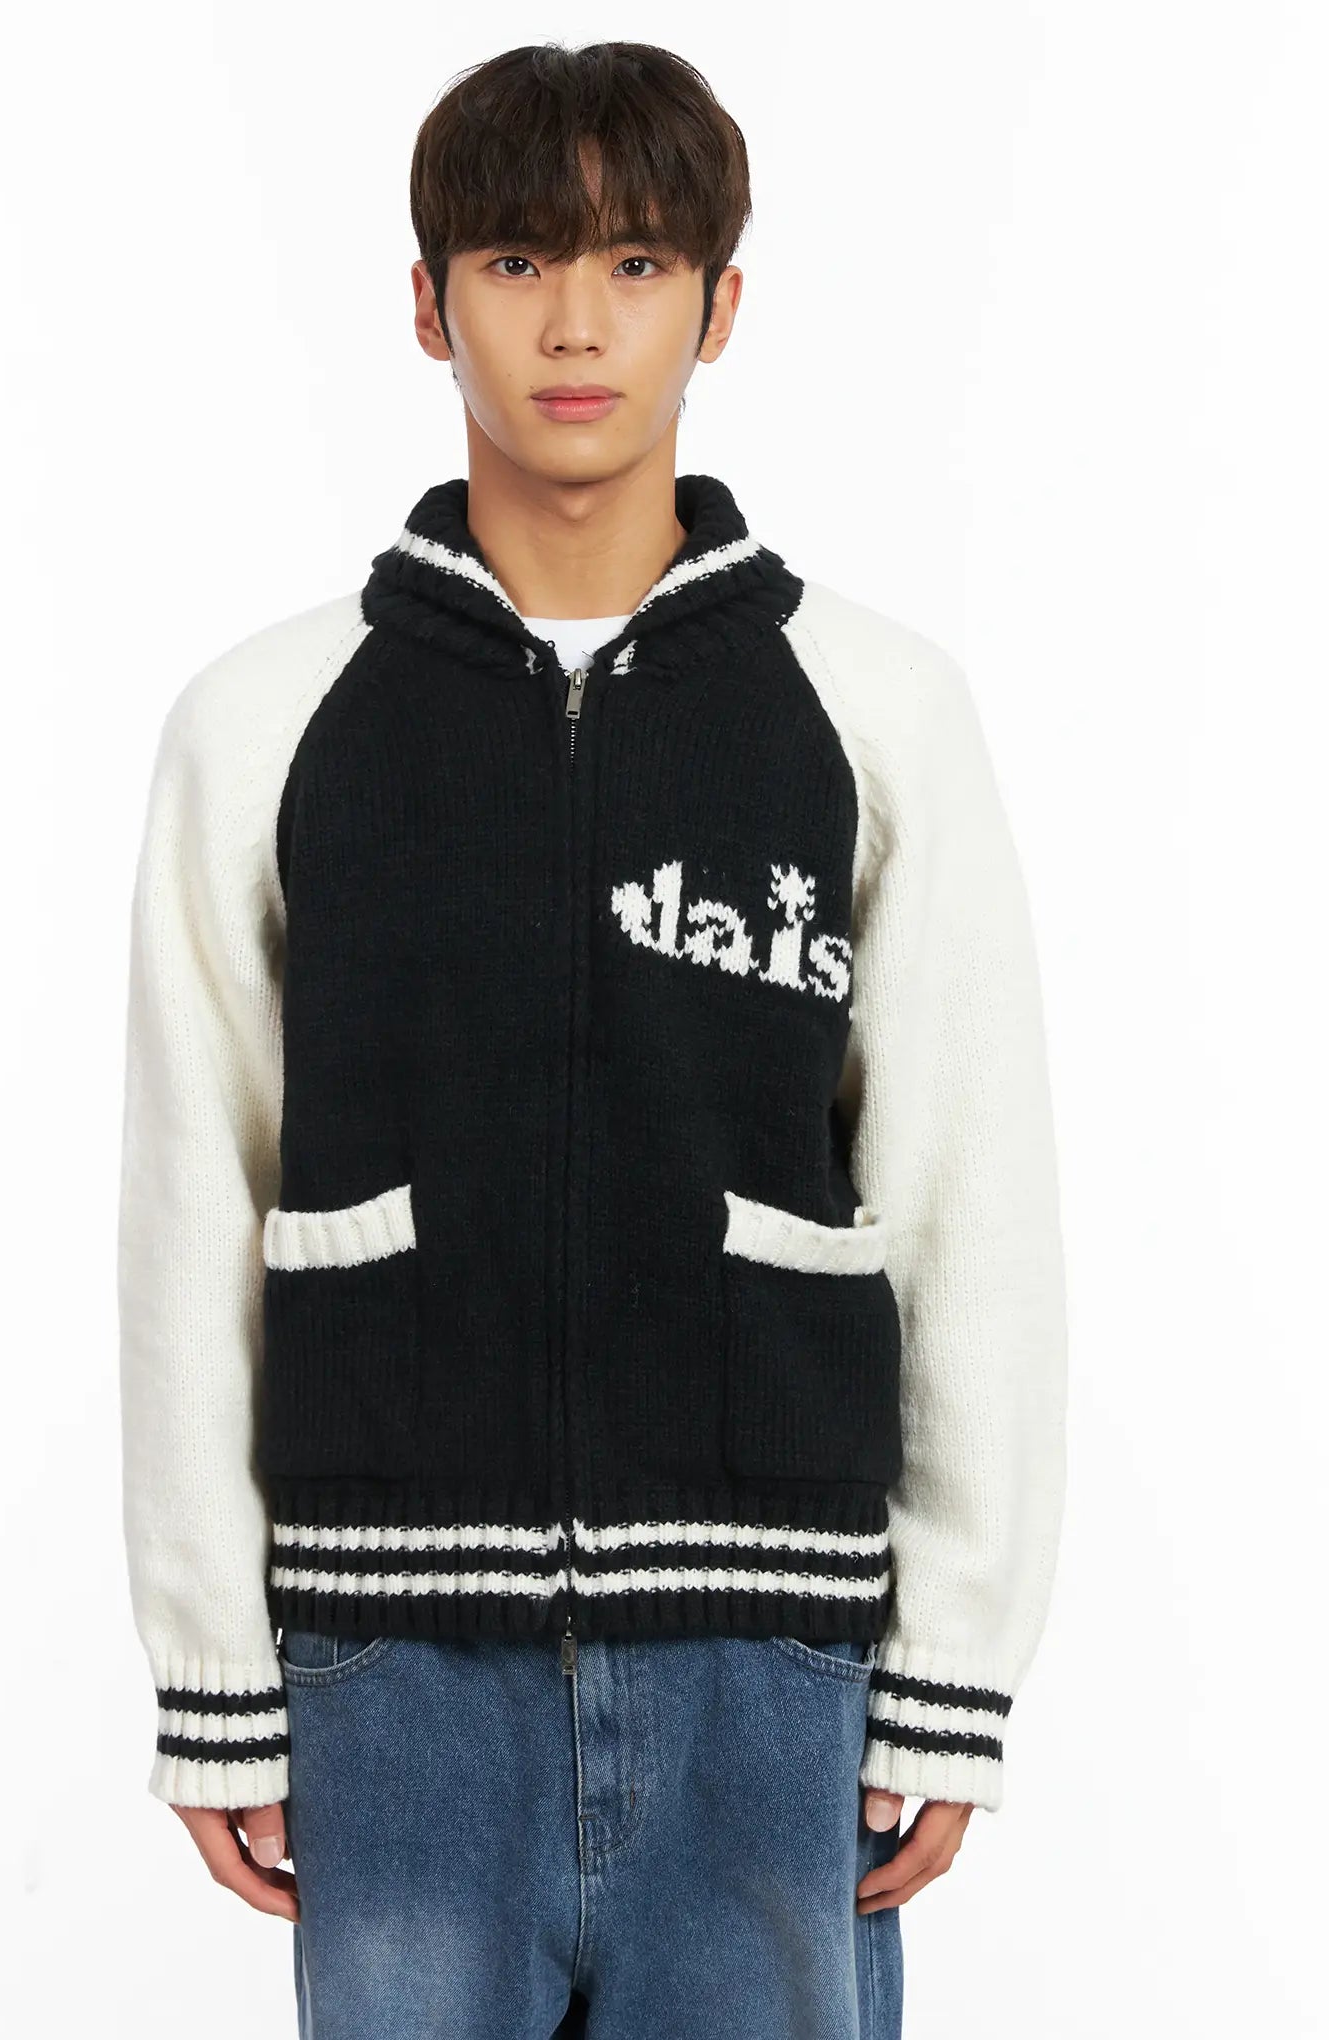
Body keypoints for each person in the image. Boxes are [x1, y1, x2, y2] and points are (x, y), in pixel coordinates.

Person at [116, 38, 1067, 2040]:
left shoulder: (873, 712)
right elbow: (192, 1205)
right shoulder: (266, 726)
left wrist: (953, 1669)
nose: (573, 325)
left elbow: (969, 1199)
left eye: (637, 265)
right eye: (517, 260)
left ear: (721, 306)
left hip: (767, 1665)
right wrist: (213, 1672)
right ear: (426, 300)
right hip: (390, 1665)